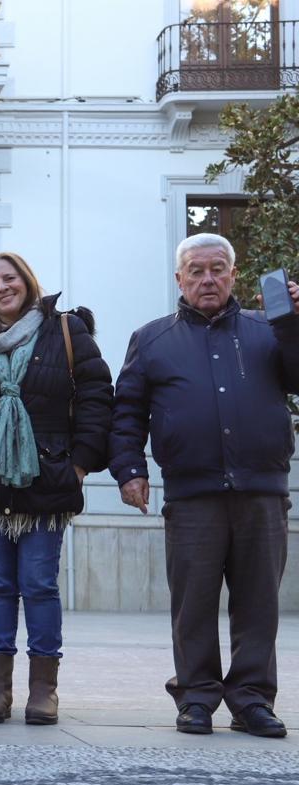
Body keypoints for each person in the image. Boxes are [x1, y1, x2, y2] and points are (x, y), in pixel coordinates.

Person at [109, 233, 299, 739]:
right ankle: (196, 696)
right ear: (179, 279)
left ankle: (253, 699)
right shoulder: (151, 339)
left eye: (217, 269)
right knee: (192, 602)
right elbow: (126, 411)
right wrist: (129, 469)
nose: (207, 279)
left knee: (258, 602)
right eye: (196, 270)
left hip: (262, 488)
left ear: (234, 275)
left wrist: (294, 326)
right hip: (191, 493)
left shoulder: (270, 330)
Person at [0, 253, 113, 726]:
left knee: (38, 585)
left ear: (26, 282)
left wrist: (80, 465)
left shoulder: (65, 331)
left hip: (47, 478)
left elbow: (97, 396)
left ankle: (43, 690)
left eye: (8, 278)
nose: (0, 288)